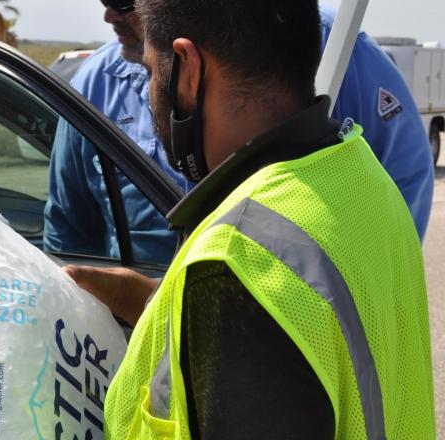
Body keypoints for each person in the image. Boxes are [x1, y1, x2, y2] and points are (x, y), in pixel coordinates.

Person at [83, 1, 445, 440]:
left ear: (188, 70)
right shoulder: (356, 178)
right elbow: (306, 349)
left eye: (149, 70)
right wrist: (142, 297)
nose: (148, 91)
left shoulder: (244, 257)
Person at [44, 0, 435, 264]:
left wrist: (352, 297)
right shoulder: (95, 85)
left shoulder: (332, 50)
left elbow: (401, 178)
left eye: (126, 0)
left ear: (190, 67)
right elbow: (69, 225)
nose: (110, 15)